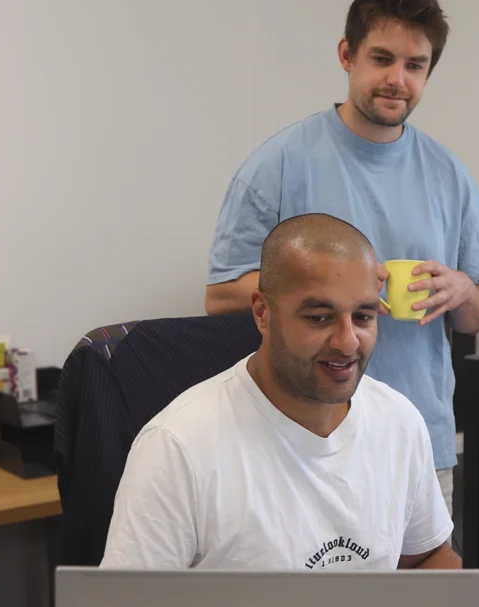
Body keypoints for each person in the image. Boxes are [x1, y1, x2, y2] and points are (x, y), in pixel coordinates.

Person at [203, 0, 479, 518]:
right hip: (300, 440)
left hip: (419, 444)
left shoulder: (452, 177)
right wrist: (330, 292)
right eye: (382, 59)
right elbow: (220, 296)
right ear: (347, 55)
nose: (397, 80)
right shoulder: (278, 164)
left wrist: (460, 290)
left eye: (415, 66)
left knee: (423, 593)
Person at [101, 214, 459, 570]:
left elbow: (426, 557)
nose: (348, 341)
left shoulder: (399, 422)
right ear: (262, 313)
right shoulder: (177, 447)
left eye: (363, 317)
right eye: (320, 317)